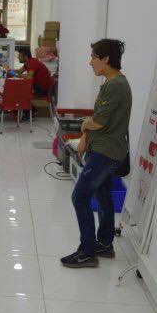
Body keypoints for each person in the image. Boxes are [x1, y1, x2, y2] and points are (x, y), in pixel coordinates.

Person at [61, 39, 132, 268]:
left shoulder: (115, 85)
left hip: (106, 153)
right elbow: (100, 120)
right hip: (106, 149)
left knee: (80, 197)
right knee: (102, 195)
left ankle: (87, 251)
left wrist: (83, 125)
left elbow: (99, 122)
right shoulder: (113, 83)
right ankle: (104, 244)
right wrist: (85, 135)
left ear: (106, 59)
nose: (90, 62)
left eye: (93, 57)